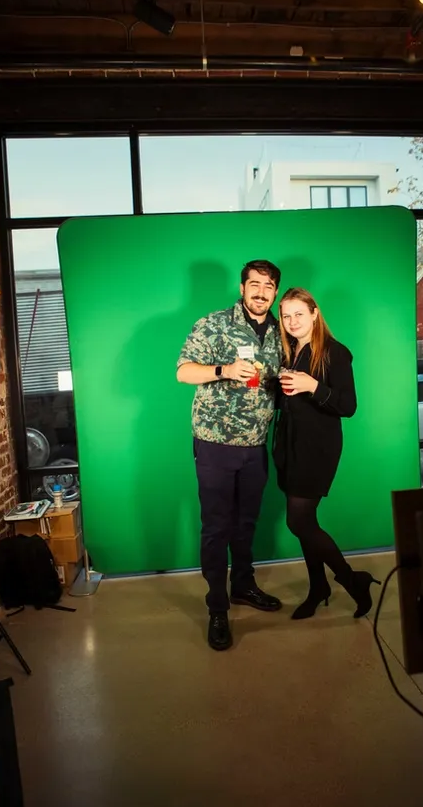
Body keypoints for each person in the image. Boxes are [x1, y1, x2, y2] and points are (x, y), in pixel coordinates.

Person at [177, 260, 283, 651]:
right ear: (242, 288)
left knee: (246, 524)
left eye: (268, 286)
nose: (260, 292)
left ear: (274, 293)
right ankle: (217, 608)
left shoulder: (280, 331)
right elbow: (183, 371)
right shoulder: (213, 323)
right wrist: (223, 369)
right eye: (253, 284)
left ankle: (243, 586)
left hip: (255, 445)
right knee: (216, 527)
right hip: (215, 443)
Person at [273, 287, 380, 620]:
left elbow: (348, 406)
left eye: (298, 314)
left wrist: (312, 386)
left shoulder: (335, 352)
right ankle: (318, 587)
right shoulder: (289, 352)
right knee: (306, 522)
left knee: (298, 520)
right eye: (286, 316)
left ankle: (351, 579)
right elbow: (285, 402)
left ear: (315, 313)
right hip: (289, 445)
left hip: (317, 448)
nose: (292, 322)